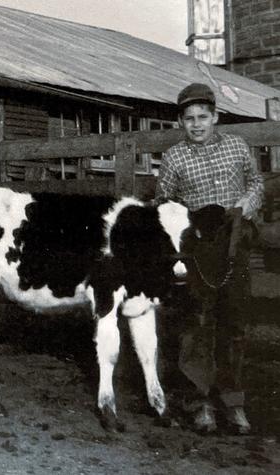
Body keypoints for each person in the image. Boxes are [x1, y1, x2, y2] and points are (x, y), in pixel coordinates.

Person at [156, 82, 264, 435]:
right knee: (195, 324)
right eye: (189, 119)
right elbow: (164, 203)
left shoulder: (236, 146)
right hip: (197, 249)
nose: (197, 124)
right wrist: (186, 227)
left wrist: (244, 208)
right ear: (181, 122)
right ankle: (199, 401)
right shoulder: (174, 158)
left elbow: (256, 184)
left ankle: (233, 403)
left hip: (233, 244)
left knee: (234, 322)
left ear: (215, 116)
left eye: (204, 117)